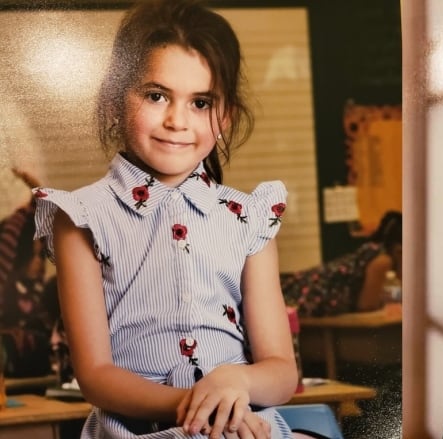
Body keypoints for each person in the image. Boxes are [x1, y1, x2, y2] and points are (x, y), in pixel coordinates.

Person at [32, 1, 298, 437]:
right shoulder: (80, 216)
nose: (176, 121)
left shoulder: (250, 218)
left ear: (226, 117)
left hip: (245, 427)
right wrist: (198, 407)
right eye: (156, 96)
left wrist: (236, 381)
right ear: (117, 99)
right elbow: (95, 375)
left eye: (200, 102)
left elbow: (282, 372)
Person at [280, 211, 402, 317]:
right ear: (398, 250)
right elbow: (366, 306)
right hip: (294, 301)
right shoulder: (382, 261)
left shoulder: (374, 250)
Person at [0, 168, 55, 378]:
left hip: (33, 376)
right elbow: (13, 232)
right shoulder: (4, 280)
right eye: (32, 255)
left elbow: (44, 215)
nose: (38, 263)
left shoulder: (36, 290)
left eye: (40, 255)